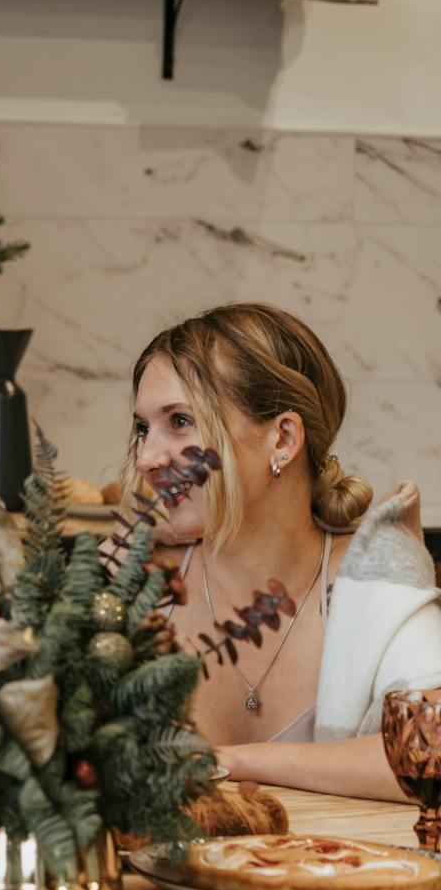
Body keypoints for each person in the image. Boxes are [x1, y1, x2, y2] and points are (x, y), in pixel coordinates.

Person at [128, 303, 441, 799]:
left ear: (283, 438)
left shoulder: (372, 578)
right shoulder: (135, 585)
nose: (147, 458)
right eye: (144, 427)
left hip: (343, 873)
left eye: (181, 421)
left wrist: (228, 761)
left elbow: (433, 750)